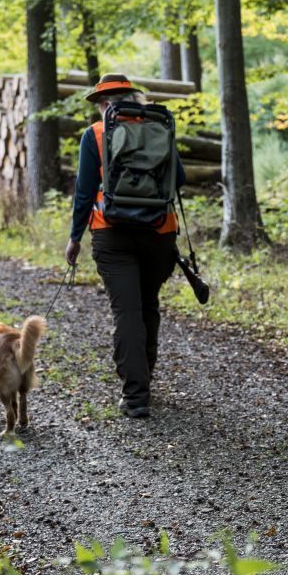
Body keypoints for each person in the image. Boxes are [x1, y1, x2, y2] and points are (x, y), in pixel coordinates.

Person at [64, 73, 186, 419]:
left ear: (105, 105)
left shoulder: (97, 133)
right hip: (160, 233)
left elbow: (85, 192)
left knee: (126, 312)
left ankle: (135, 396)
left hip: (112, 233)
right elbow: (179, 179)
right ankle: (143, 378)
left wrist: (74, 239)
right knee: (148, 305)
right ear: (135, 99)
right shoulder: (159, 127)